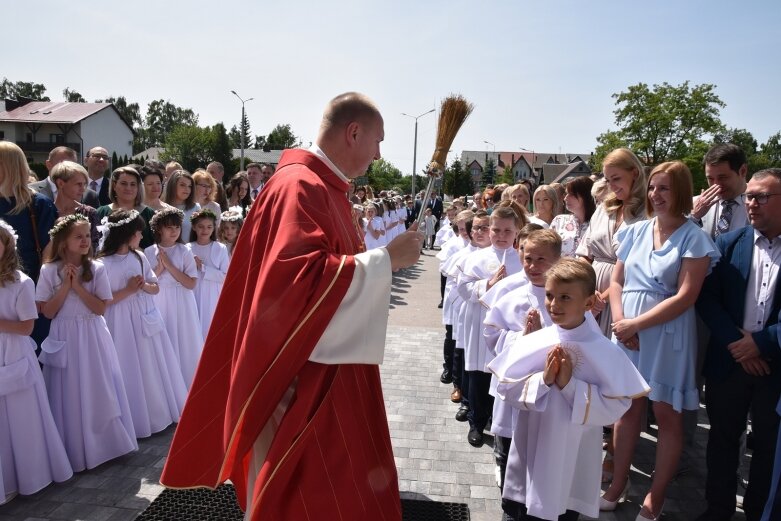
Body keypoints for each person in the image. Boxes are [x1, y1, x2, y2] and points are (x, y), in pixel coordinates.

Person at [160, 92, 422, 520]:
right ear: (353, 133)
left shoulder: (323, 185)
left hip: (331, 365)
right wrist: (387, 260)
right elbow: (295, 282)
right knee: (309, 495)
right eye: (377, 141)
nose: (378, 153)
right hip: (306, 378)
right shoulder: (301, 185)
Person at [488, 258, 649, 521]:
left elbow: (615, 406)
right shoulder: (537, 340)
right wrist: (543, 380)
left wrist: (569, 386)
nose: (554, 304)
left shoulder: (603, 350)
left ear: (588, 303)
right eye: (550, 295)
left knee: (565, 510)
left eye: (565, 297)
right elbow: (506, 389)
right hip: (533, 444)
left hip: (575, 454)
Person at [604, 161, 719, 520]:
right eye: (653, 188)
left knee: (667, 415)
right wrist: (622, 322)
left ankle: (657, 496)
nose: (656, 195)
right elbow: (617, 282)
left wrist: (636, 323)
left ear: (682, 191)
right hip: (629, 332)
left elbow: (686, 296)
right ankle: (617, 483)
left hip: (668, 334)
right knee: (627, 409)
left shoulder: (694, 237)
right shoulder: (635, 231)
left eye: (665, 188)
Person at [695, 168, 781, 521]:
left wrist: (761, 343)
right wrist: (737, 343)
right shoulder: (730, 244)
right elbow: (707, 298)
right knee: (722, 443)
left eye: (762, 197)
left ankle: (761, 512)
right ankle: (718, 511)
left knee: (768, 448)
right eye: (750, 196)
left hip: (774, 367)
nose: (752, 203)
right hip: (728, 364)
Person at [36, 214, 137, 471]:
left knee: (96, 384)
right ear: (63, 242)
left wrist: (78, 286)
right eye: (78, 236)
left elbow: (100, 309)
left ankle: (104, 444)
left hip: (92, 334)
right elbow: (47, 312)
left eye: (87, 235)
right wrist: (64, 287)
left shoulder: (97, 268)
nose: (85, 240)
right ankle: (71, 447)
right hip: (64, 334)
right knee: (68, 388)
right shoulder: (48, 270)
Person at [0, 220, 72, 505]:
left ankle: (27, 476)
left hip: (13, 352)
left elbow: (27, 327)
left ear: (7, 246)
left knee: (20, 417)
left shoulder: (21, 282)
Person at [482, 229, 561, 490]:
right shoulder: (512, 293)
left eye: (541, 260)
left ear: (557, 261)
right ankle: (508, 493)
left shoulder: (563, 298)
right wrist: (522, 338)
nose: (533, 266)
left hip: (548, 390)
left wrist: (541, 340)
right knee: (508, 443)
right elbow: (491, 332)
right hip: (514, 384)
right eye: (528, 259)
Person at [98, 209, 187, 438]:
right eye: (138, 232)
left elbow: (154, 286)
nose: (141, 235)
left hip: (143, 315)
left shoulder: (139, 257)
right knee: (126, 362)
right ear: (127, 233)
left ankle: (155, 413)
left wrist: (143, 287)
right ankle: (133, 418)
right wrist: (128, 290)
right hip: (118, 319)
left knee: (148, 363)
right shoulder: (102, 264)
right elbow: (103, 301)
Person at [457, 201, 525, 446]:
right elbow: (462, 289)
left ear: (517, 231)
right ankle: (476, 422)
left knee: (501, 375)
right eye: (496, 230)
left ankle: (499, 424)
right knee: (478, 374)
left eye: (507, 231)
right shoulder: (476, 258)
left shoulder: (522, 259)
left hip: (509, 328)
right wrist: (488, 284)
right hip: (480, 321)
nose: (501, 236)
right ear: (489, 230)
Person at [575, 148, 647, 338]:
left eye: (616, 178)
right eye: (607, 180)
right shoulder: (604, 209)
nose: (612, 185)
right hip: (589, 294)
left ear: (635, 173)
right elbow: (584, 253)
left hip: (624, 297)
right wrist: (586, 291)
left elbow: (639, 267)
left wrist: (602, 299)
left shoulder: (648, 213)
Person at [143, 208, 204, 388]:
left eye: (177, 227)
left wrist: (169, 265)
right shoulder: (148, 252)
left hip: (182, 301)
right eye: (169, 227)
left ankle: (188, 384)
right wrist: (160, 269)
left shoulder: (184, 251)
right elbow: (147, 280)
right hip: (159, 299)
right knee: (165, 338)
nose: (174, 231)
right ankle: (167, 387)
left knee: (184, 340)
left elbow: (191, 283)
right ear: (159, 229)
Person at [691, 143, 749, 237]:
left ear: (743, 171)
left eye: (723, 177)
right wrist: (693, 217)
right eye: (710, 178)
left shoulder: (763, 205)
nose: (716, 185)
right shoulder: (693, 205)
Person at [188, 209, 229, 339]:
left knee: (209, 325)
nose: (205, 230)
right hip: (193, 291)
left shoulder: (220, 248)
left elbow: (225, 276)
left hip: (212, 294)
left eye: (209, 227)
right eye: (200, 226)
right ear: (194, 227)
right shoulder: (188, 248)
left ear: (214, 228)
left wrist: (203, 267)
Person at [96, 166, 156, 248]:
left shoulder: (149, 214)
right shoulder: (101, 212)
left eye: (133, 184)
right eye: (123, 183)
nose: (128, 188)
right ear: (114, 185)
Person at [50, 161, 100, 252]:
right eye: (78, 184)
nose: (83, 189)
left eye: (84, 184)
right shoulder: (46, 211)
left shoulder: (89, 213)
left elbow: (94, 247)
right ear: (60, 183)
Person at [29, 147, 101, 209]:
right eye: (63, 164)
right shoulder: (30, 191)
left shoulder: (90, 195)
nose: (69, 169)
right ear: (48, 164)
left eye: (73, 165)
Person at [550, 177, 595, 257]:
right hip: (560, 268)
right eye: (566, 193)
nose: (565, 198)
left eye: (571, 194)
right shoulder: (559, 221)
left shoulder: (597, 224)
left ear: (585, 196)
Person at [162, 170, 201, 242]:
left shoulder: (196, 208)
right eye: (182, 185)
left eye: (189, 186)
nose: (187, 189)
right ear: (173, 186)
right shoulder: (162, 208)